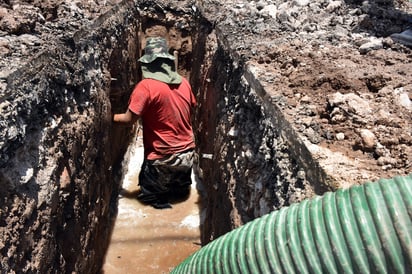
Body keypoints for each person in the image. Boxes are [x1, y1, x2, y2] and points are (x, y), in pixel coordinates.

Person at [113, 36, 196, 209]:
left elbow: (129, 120)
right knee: (179, 194)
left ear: (147, 63)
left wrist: (109, 117)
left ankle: (158, 202)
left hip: (162, 159)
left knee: (150, 199)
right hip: (187, 155)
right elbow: (191, 108)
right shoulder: (185, 83)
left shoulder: (146, 87)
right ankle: (177, 191)